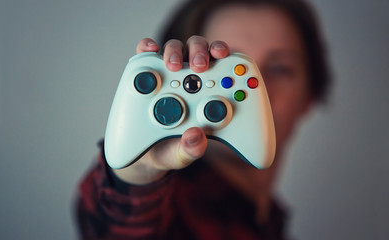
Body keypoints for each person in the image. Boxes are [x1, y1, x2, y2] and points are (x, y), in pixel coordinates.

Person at [75, 0, 331, 239]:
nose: (258, 93)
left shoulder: (270, 221)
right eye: (227, 69)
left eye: (279, 69)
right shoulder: (169, 210)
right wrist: (135, 175)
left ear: (311, 94)